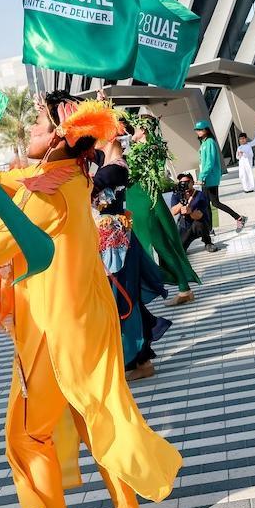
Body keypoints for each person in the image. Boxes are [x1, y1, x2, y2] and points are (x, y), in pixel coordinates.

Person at [0, 93, 181, 508]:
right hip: (84, 320)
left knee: (26, 435)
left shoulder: (47, 194)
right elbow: (7, 180)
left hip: (53, 331)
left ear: (59, 140)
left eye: (38, 123)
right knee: (94, 423)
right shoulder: (67, 178)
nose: (28, 128)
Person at [92, 136, 170, 383]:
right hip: (110, 243)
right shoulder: (106, 162)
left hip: (116, 247)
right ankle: (141, 359)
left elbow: (87, 186)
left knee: (123, 300)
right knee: (122, 299)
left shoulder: (115, 169)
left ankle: (137, 359)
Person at [124, 115, 201, 307]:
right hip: (143, 204)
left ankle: (183, 288)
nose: (132, 130)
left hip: (146, 205)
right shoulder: (141, 149)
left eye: (136, 127)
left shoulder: (148, 150)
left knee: (162, 248)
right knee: (159, 247)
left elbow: (133, 172)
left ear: (143, 130)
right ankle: (180, 287)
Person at [194, 120, 246, 231]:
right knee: (206, 204)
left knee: (215, 203)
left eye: (200, 129)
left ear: (206, 130)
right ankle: (209, 228)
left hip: (210, 177)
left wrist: (201, 177)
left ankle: (239, 218)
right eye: (197, 130)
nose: (198, 132)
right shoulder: (204, 143)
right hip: (207, 177)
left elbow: (210, 162)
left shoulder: (210, 142)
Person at [170, 173, 219, 253]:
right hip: (185, 226)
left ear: (192, 182)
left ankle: (208, 242)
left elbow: (199, 215)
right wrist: (181, 203)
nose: (184, 184)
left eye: (186, 182)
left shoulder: (200, 195)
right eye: (181, 183)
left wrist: (190, 211)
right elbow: (173, 212)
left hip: (198, 225)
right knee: (180, 251)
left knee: (199, 223)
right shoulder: (177, 195)